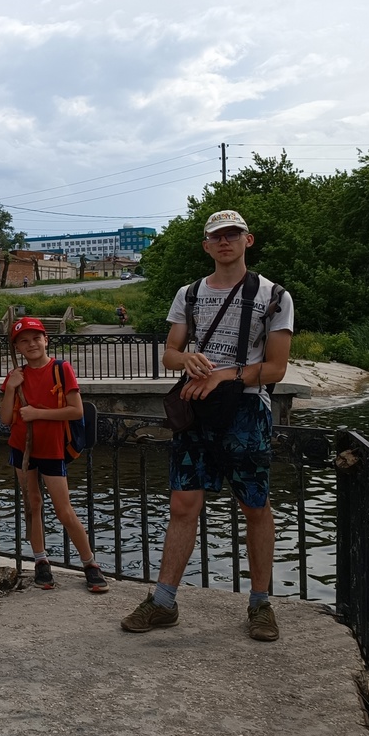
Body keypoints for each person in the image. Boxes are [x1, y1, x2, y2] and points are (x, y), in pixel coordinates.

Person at [121, 209, 293, 641]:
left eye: (233, 234)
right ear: (207, 245)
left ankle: (260, 604)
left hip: (245, 410)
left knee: (255, 505)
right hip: (196, 410)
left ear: (247, 240)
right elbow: (170, 353)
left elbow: (275, 369)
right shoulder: (190, 294)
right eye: (217, 236)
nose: (225, 241)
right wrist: (188, 360)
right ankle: (163, 601)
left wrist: (222, 374)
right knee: (183, 505)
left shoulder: (273, 296)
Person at [2, 316, 109, 593]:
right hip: (21, 448)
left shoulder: (61, 369)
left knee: (64, 509)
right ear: (17, 348)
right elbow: (4, 418)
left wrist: (38, 414)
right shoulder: (16, 376)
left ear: (45, 339)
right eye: (24, 341)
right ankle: (40, 561)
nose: (32, 344)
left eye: (36, 338)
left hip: (52, 449)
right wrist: (12, 387)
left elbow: (76, 411)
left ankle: (89, 563)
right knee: (32, 503)